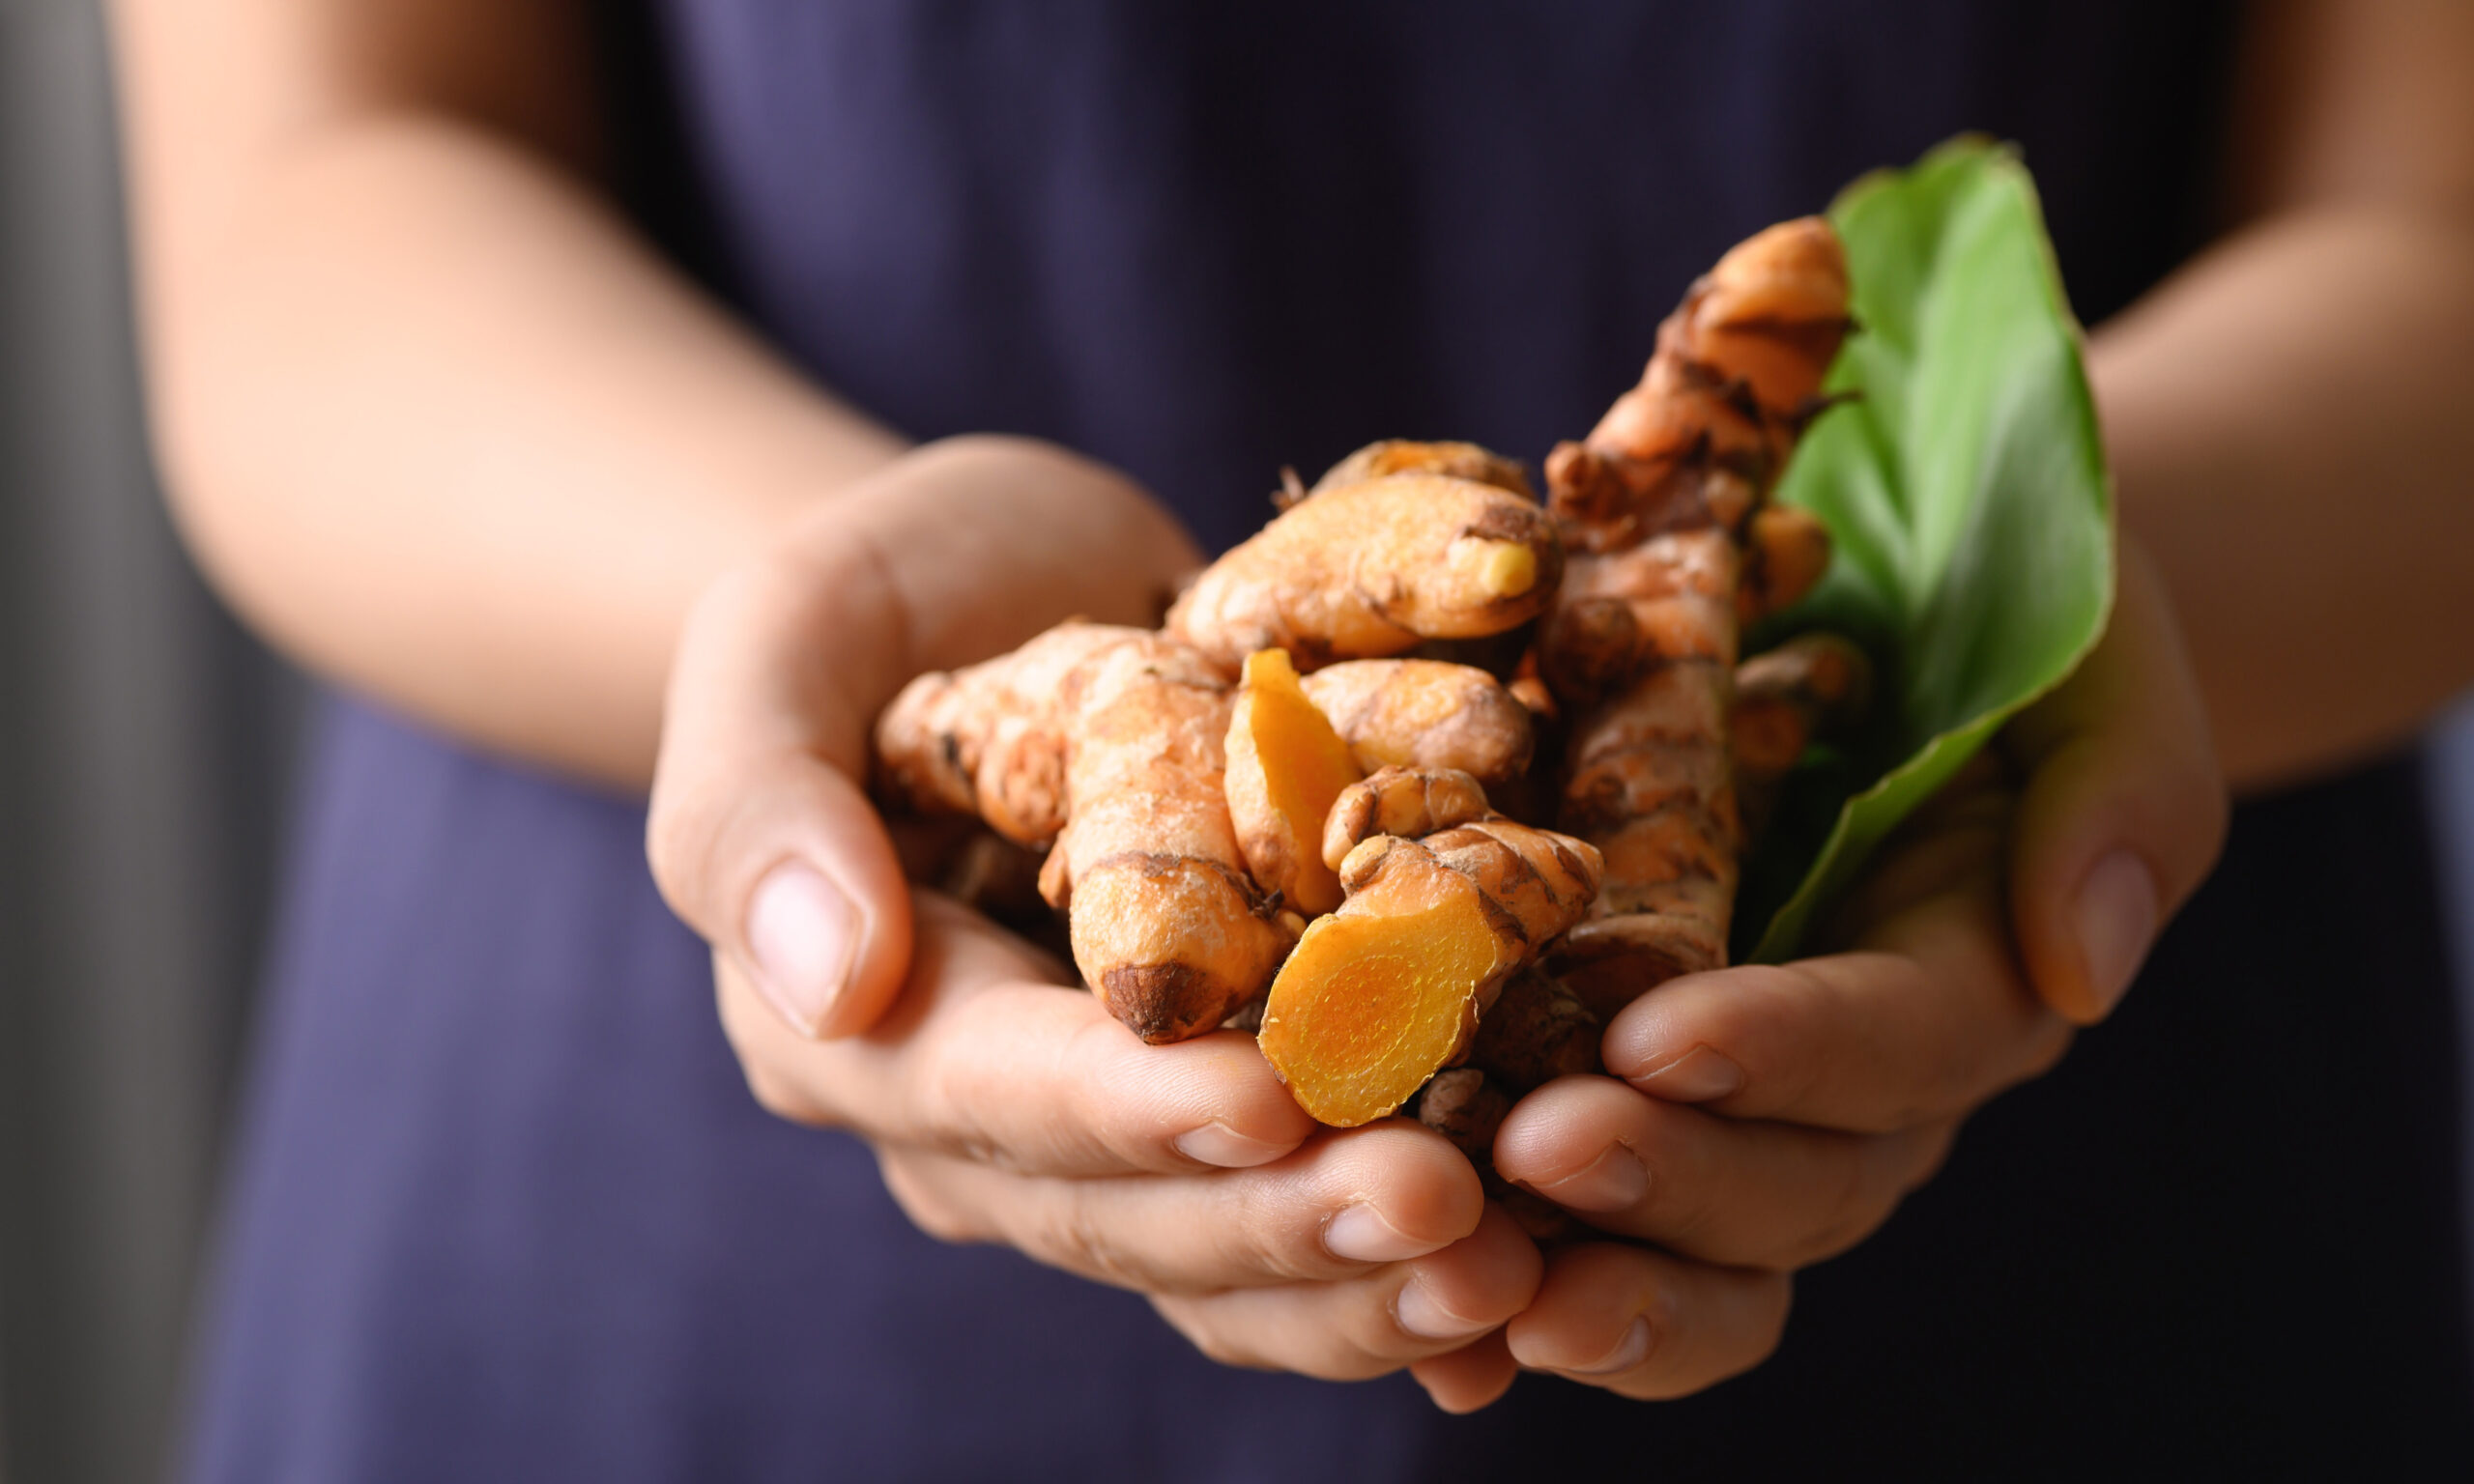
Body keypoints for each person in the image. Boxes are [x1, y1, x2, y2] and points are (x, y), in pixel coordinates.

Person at [106, 1, 2471, 1478]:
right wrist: (838, 630)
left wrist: (2015, 585)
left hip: (2089, 1268)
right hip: (670, 1250)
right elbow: (317, 193)